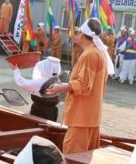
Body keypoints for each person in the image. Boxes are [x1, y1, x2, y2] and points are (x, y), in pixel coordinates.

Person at [46, 18, 111, 154]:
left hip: (82, 117)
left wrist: (62, 87)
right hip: (89, 116)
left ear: (82, 34)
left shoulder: (91, 54)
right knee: (85, 157)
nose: (76, 34)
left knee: (73, 156)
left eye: (78, 32)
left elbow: (85, 85)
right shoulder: (95, 52)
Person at [13, 57, 62, 121]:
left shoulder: (40, 82)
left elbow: (22, 82)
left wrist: (15, 70)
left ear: (45, 67)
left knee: (37, 128)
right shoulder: (57, 80)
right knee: (50, 127)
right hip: (53, 110)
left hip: (39, 111)